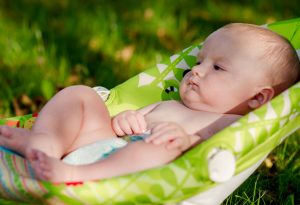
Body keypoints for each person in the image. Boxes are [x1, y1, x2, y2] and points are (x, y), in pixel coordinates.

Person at [0, 23, 299, 183]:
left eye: (217, 68)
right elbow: (119, 127)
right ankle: (44, 144)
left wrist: (188, 141)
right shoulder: (170, 105)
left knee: (163, 147)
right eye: (198, 61)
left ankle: (75, 176)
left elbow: (218, 151)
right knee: (81, 95)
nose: (195, 70)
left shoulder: (233, 124)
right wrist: (124, 119)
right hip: (103, 147)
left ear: (258, 98)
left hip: (134, 174)